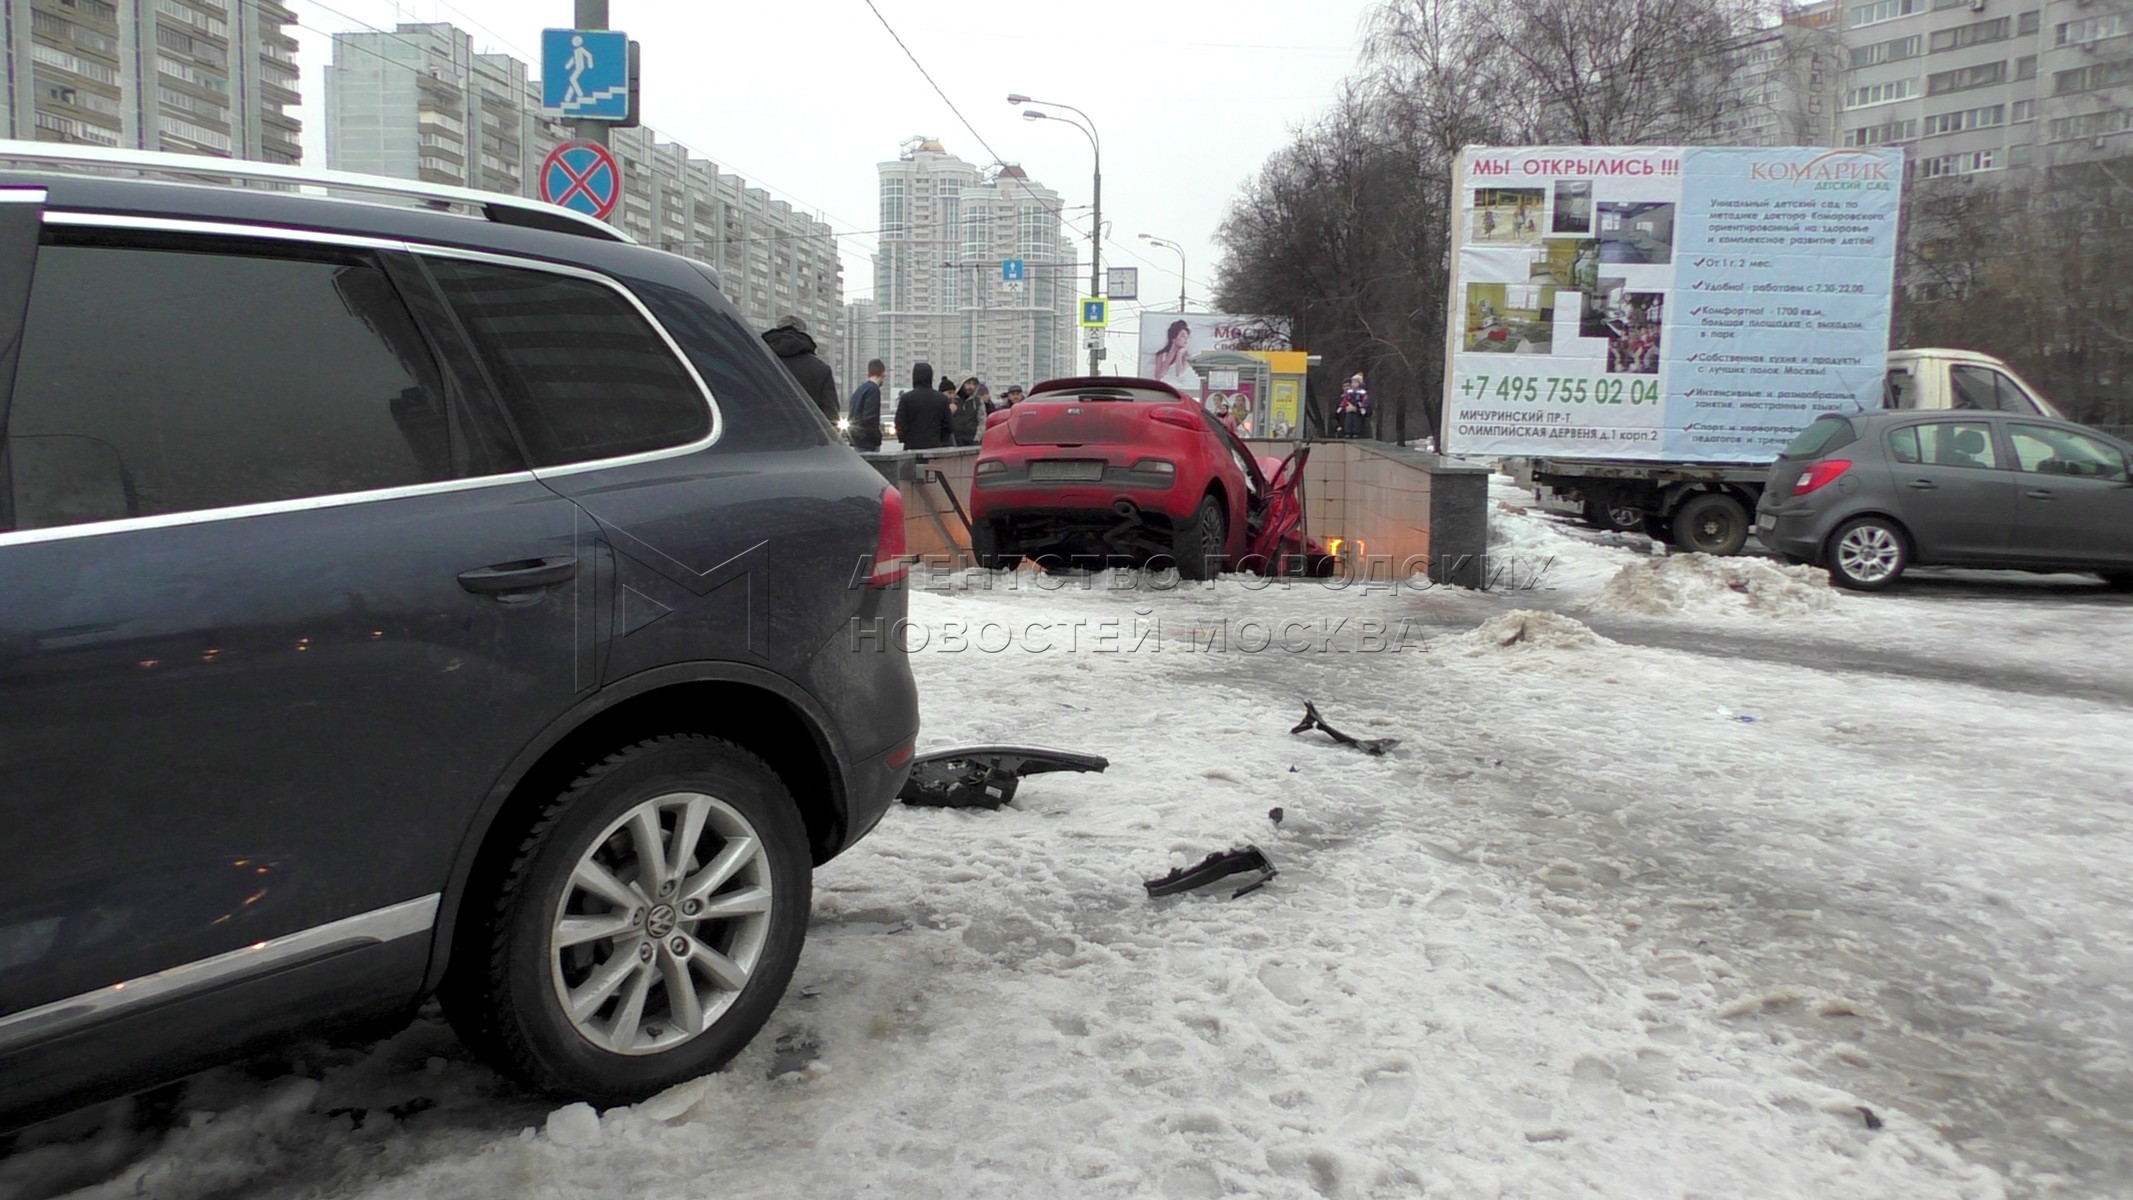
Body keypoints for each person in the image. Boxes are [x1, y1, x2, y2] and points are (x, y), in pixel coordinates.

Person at [762, 314, 839, 425]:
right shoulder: (820, 368)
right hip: (808, 437)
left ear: (778, 329)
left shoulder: (759, 361)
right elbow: (830, 414)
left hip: (765, 435)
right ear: (804, 333)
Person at [893, 362, 955, 451]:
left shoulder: (906, 398)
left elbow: (899, 423)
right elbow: (948, 425)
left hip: (911, 447)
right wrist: (942, 439)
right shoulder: (941, 399)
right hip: (935, 446)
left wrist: (903, 438)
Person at [847, 358, 886, 452]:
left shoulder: (859, 390)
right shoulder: (873, 390)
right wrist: (877, 438)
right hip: (867, 441)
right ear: (882, 374)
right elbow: (870, 418)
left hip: (857, 439)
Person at [1148, 319, 1198, 391]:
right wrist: (1170, 356)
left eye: (1187, 338)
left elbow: (1179, 374)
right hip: (1165, 389)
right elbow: (1158, 376)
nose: (1186, 340)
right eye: (1183, 336)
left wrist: (1179, 354)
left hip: (1181, 390)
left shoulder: (1186, 356)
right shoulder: (1161, 355)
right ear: (1173, 338)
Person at [950, 376, 985, 445]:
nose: (971, 387)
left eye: (974, 384)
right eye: (968, 383)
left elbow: (982, 421)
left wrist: (977, 439)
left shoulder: (977, 401)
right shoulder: (952, 400)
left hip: (972, 441)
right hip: (954, 442)